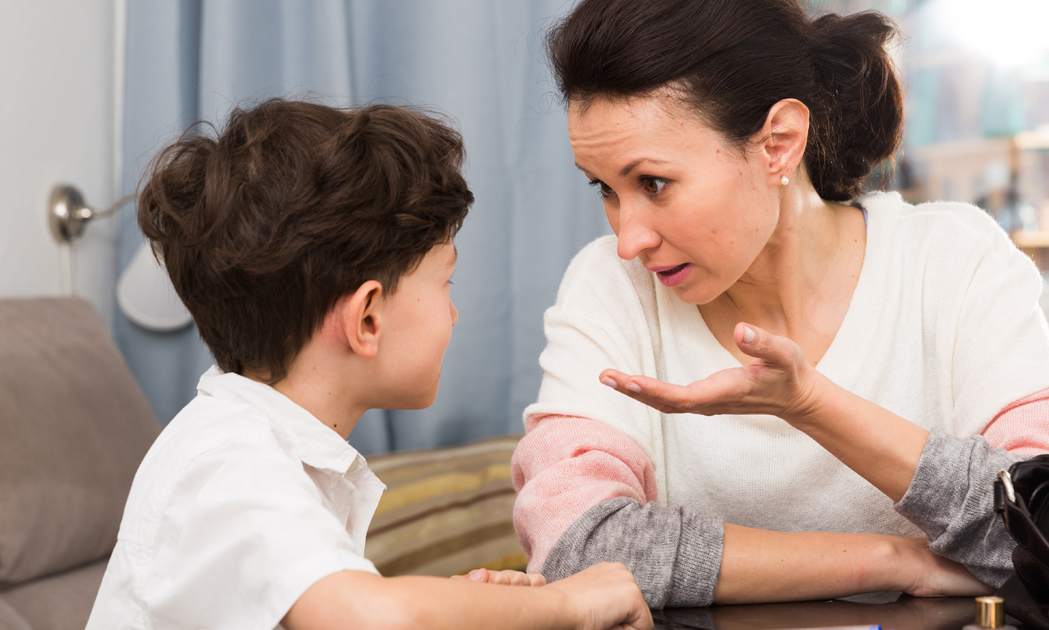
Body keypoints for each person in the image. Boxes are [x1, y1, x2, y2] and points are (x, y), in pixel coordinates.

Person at [500, 0, 1049, 610]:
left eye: (653, 183)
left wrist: (813, 406)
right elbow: (578, 543)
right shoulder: (612, 287)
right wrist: (891, 561)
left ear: (778, 144)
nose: (629, 240)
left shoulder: (952, 261)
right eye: (606, 188)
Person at [85, 99, 652, 630]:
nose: (453, 313)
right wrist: (564, 604)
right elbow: (372, 618)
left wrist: (480, 609)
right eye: (444, 280)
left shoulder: (260, 449)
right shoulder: (226, 463)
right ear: (367, 321)